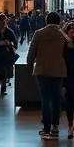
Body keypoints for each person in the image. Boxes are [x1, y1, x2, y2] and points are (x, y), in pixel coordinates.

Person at [27, 11, 68, 139]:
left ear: (46, 21)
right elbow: (69, 49)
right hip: (58, 71)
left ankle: (46, 128)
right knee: (57, 99)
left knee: (45, 99)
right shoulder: (62, 35)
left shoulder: (39, 33)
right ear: (59, 21)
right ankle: (55, 126)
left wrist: (29, 66)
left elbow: (31, 54)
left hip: (42, 70)